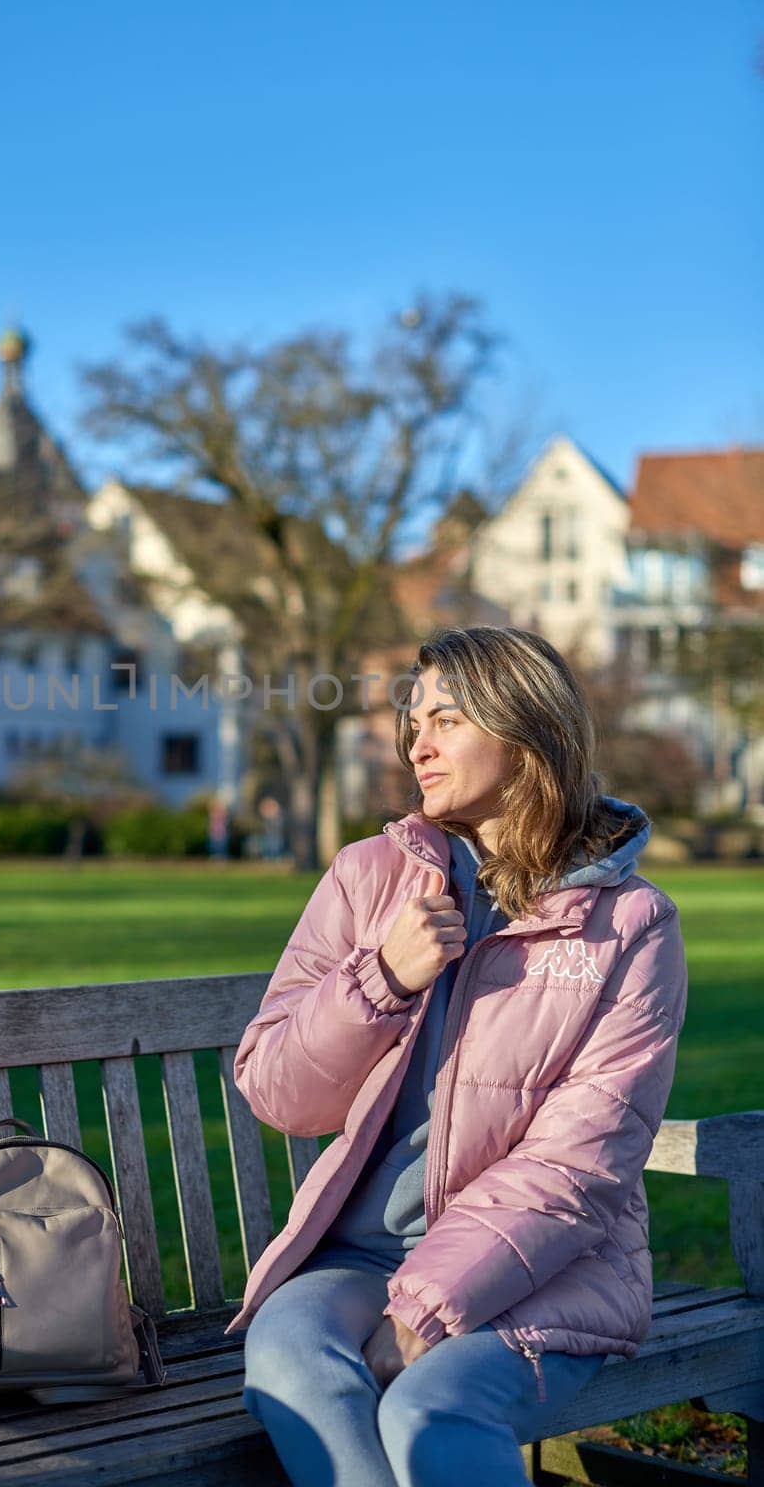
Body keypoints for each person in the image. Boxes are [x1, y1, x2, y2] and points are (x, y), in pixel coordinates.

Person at [227, 625, 688, 1487]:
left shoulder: (631, 927)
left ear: (524, 732)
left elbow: (578, 1167)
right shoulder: (368, 878)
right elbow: (278, 1094)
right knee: (289, 1356)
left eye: (444, 718)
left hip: (543, 1272)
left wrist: (422, 1315)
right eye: (413, 722)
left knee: (428, 1413)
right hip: (361, 1262)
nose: (416, 742)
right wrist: (382, 982)